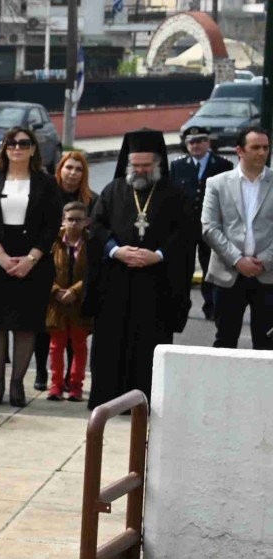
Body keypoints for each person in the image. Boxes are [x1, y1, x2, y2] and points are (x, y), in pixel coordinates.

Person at [86, 130, 197, 409]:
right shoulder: (113, 191)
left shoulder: (175, 195)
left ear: (158, 163)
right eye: (135, 165)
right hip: (116, 281)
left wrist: (158, 255)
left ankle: (145, 402)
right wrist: (115, 250)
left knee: (149, 343)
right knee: (111, 342)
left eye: (146, 165)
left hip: (156, 285)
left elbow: (185, 234)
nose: (140, 170)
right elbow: (96, 227)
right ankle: (108, 400)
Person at [0, 126, 61, 409]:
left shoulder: (46, 183)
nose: (17, 148)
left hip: (32, 263)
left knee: (25, 326)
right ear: (4, 148)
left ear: (33, 148)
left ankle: (17, 384)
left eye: (24, 143)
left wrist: (30, 259)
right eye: (11, 143)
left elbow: (51, 226)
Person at [200, 124, 273, 351]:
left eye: (266, 147)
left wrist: (265, 260)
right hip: (228, 273)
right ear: (239, 150)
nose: (262, 152)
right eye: (255, 147)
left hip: (267, 274)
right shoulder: (217, 183)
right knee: (225, 342)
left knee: (267, 344)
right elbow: (209, 227)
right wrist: (237, 260)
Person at [171, 128, 234, 318]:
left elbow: (229, 198)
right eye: (191, 142)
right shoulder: (178, 166)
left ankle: (212, 307)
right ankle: (180, 308)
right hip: (186, 226)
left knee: (210, 268)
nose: (195, 146)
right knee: (182, 268)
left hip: (211, 225)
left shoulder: (223, 165)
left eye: (200, 141)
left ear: (208, 143)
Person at [46, 201, 92, 400]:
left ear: (86, 222)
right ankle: (55, 385)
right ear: (63, 221)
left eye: (78, 220)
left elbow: (93, 272)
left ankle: (75, 386)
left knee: (79, 346)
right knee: (56, 346)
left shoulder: (91, 243)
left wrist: (75, 291)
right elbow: (44, 270)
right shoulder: (53, 242)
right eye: (70, 219)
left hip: (79, 303)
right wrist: (55, 290)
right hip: (56, 303)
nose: (74, 224)